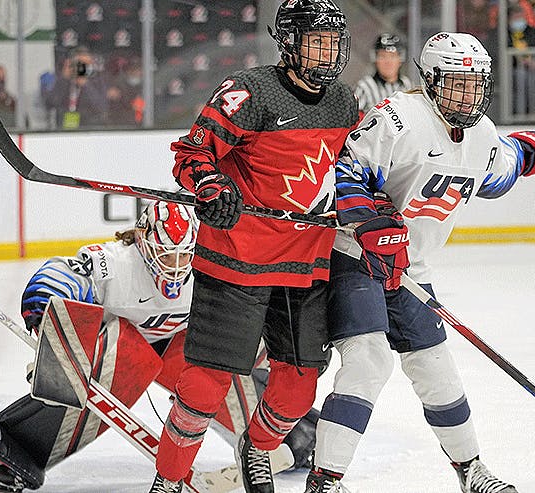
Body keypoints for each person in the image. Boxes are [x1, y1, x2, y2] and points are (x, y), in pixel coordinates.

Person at [306, 32, 535, 493]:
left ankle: (471, 470)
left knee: (436, 366)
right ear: (433, 81)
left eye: (475, 84)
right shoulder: (399, 118)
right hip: (354, 258)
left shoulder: (481, 134)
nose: (467, 94)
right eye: (456, 83)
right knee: (369, 361)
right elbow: (345, 169)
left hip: (411, 269)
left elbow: (496, 172)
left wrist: (528, 151)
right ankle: (325, 480)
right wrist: (369, 223)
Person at [146, 1, 358, 492]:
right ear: (288, 42)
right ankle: (170, 479)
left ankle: (256, 448)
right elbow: (193, 153)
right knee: (204, 386)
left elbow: (354, 174)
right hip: (237, 261)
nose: (326, 54)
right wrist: (211, 187)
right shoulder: (249, 92)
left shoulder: (344, 102)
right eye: (315, 41)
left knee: (298, 389)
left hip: (306, 264)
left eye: (333, 43)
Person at [0, 201, 317, 492]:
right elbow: (53, 280)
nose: (177, 267)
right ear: (142, 242)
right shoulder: (114, 264)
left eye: (185, 256)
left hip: (180, 346)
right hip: (123, 349)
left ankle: (297, 433)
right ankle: (13, 450)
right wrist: (53, 337)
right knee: (123, 356)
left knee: (220, 355)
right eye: (168, 256)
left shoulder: (210, 264)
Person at [43, 46, 109, 129]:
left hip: (90, 128)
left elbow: (101, 107)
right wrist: (64, 79)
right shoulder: (62, 80)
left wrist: (85, 85)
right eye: (79, 63)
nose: (81, 68)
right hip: (65, 128)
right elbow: (50, 103)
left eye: (86, 64)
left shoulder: (97, 81)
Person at [354, 33, 413, 114]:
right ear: (375, 60)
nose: (388, 62)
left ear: (400, 60)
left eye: (392, 56)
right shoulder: (364, 86)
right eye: (382, 56)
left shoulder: (407, 84)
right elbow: (354, 121)